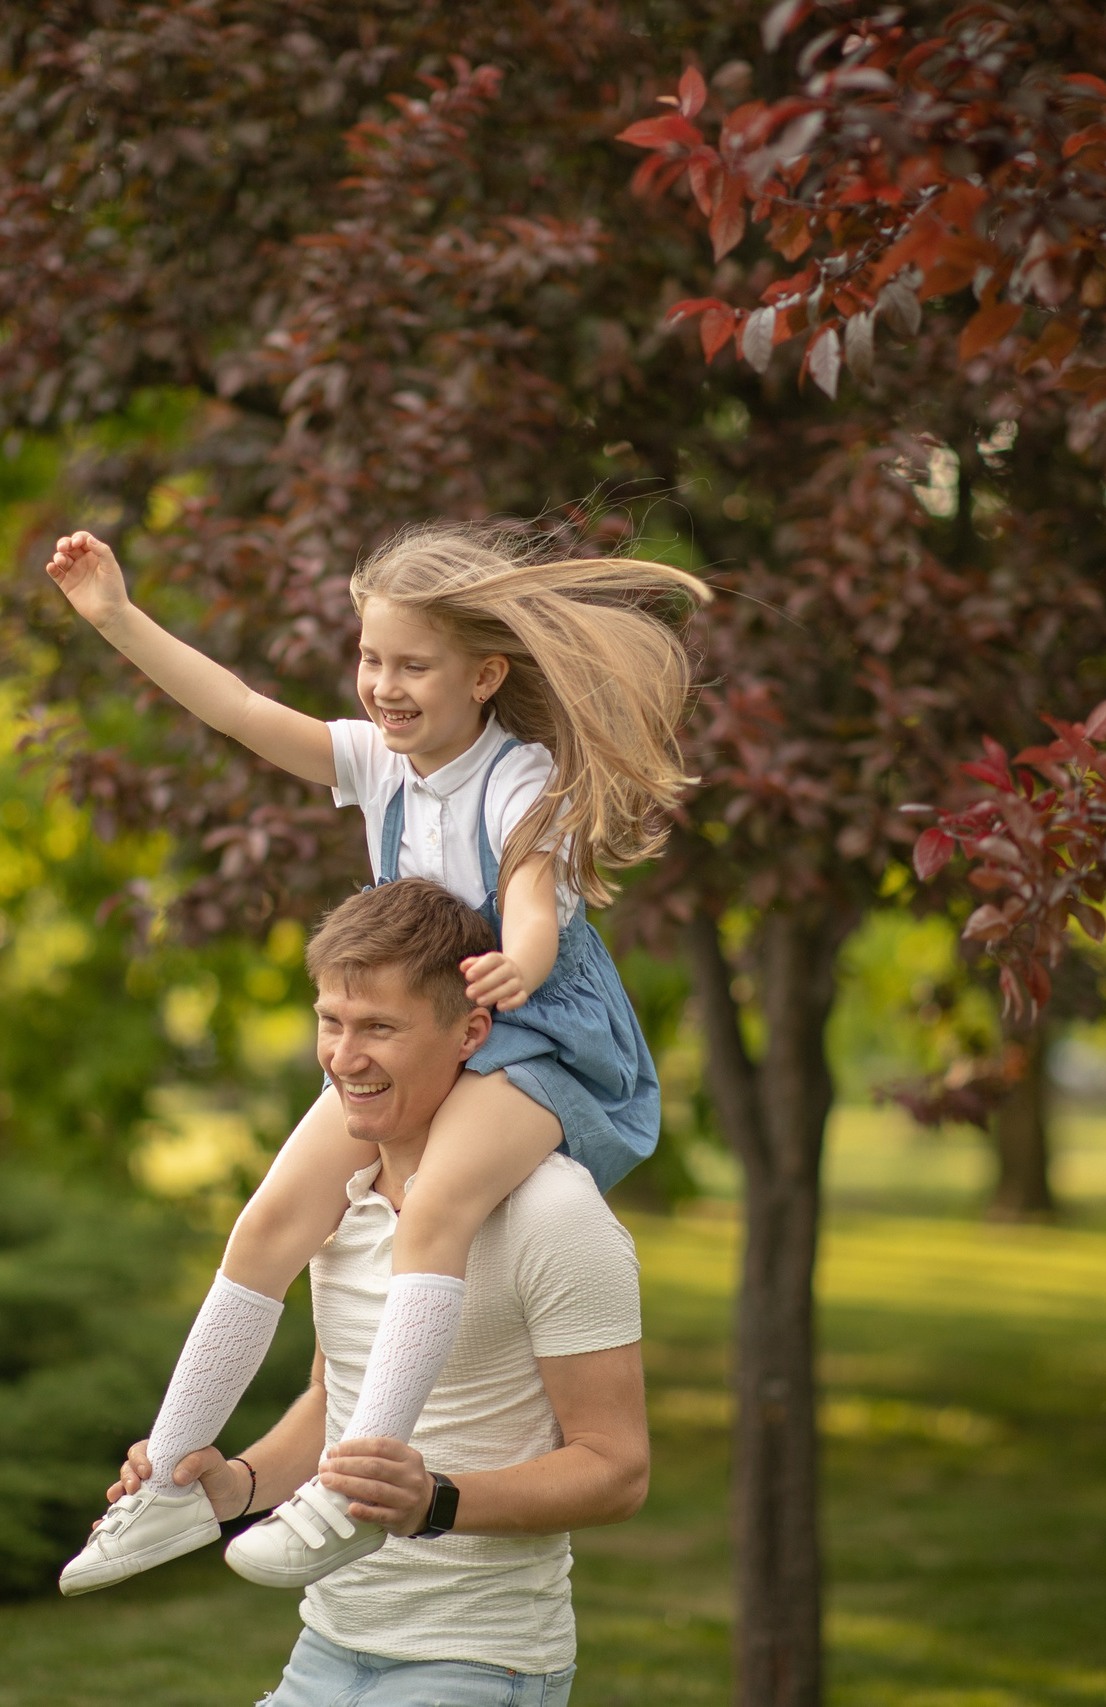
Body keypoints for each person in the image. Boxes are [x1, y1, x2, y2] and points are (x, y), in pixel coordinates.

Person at [46, 521, 701, 1593]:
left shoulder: (517, 779)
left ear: (485, 674)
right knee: (271, 1220)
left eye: (411, 665)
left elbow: (533, 904)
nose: (383, 686)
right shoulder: (376, 763)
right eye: (370, 660)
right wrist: (116, 616)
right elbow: (241, 711)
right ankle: (168, 1482)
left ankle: (348, 1495)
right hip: (424, 1028)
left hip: (535, 1033)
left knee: (434, 1206)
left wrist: (519, 968)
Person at [110, 880, 648, 1705]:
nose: (343, 1058)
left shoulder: (554, 1209)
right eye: (332, 1021)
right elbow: (336, 1402)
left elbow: (617, 1469)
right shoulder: (343, 1199)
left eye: (380, 1029)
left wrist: (434, 1501)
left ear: (472, 1032)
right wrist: (236, 1486)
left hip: (479, 1661)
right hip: (326, 1645)